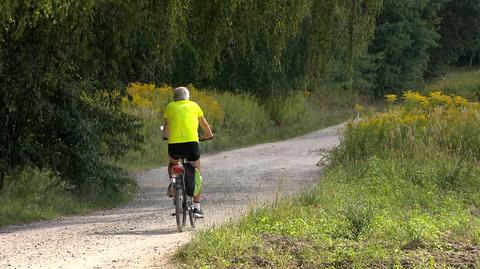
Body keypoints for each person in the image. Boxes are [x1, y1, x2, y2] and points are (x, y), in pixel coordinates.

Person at [162, 86, 214, 218]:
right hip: (191, 145)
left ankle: (173, 183)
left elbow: (166, 127)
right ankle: (197, 207)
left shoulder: (170, 106)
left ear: (175, 97)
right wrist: (208, 135)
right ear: (188, 97)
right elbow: (204, 124)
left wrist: (165, 135)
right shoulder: (194, 105)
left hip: (174, 146)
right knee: (196, 173)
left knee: (172, 164)